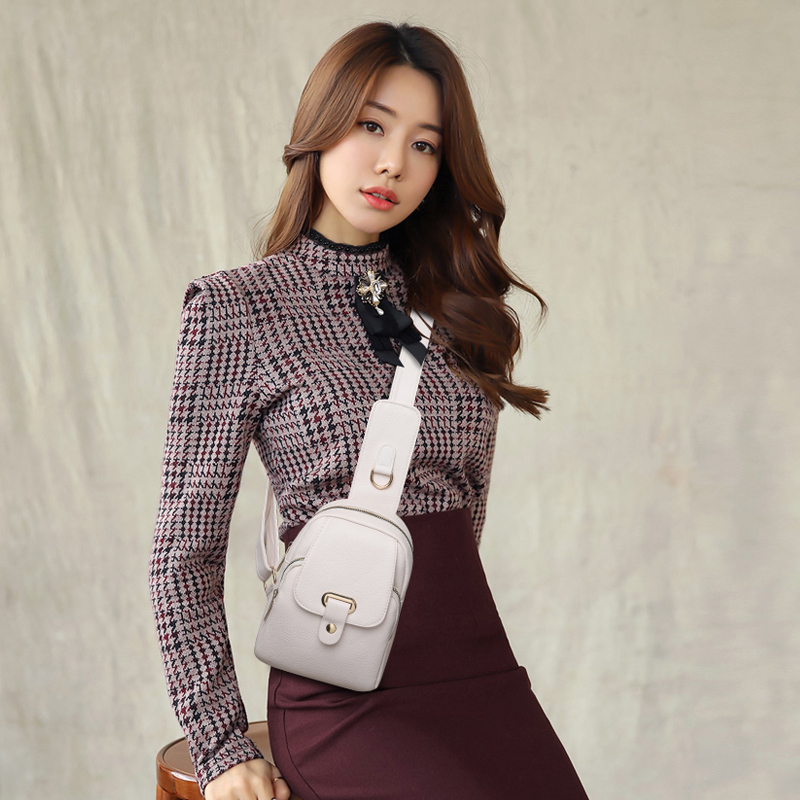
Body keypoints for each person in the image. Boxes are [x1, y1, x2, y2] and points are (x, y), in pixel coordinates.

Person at [149, 20, 591, 800]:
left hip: (478, 672)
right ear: (320, 125)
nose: (394, 162)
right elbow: (184, 549)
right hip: (343, 691)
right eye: (372, 126)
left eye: (425, 144)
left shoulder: (455, 309)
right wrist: (219, 744)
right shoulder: (237, 308)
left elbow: (466, 511)